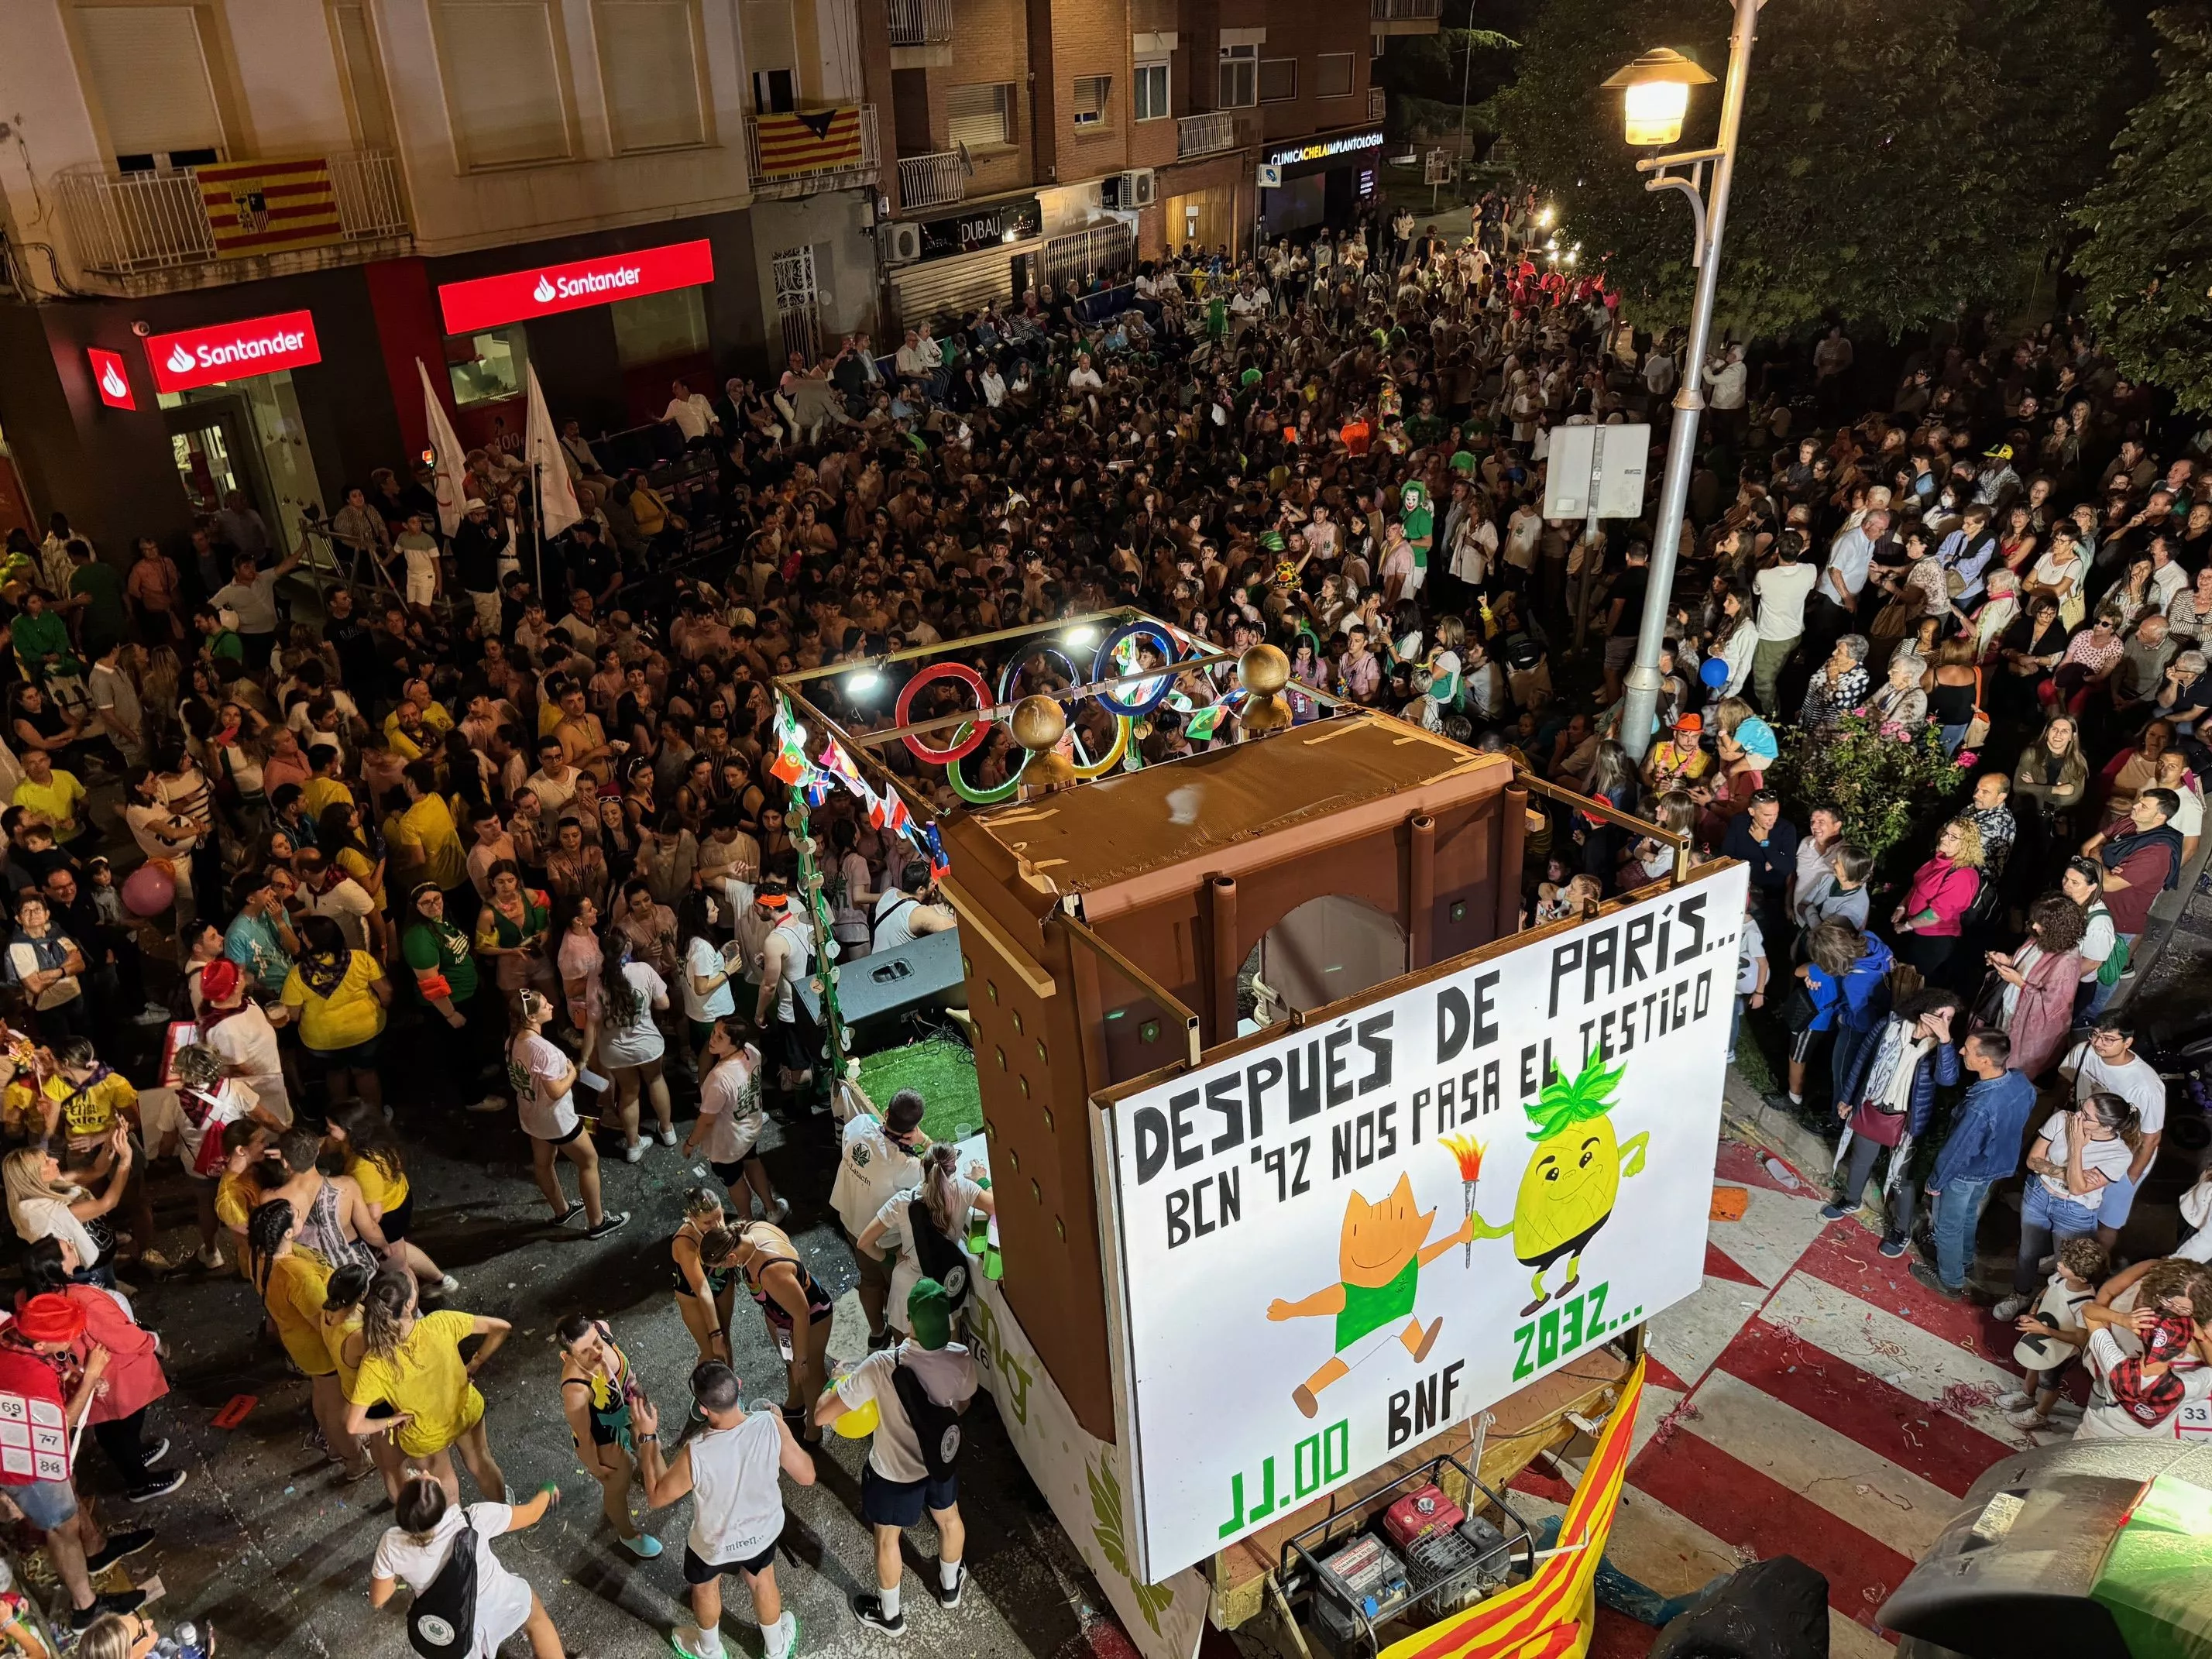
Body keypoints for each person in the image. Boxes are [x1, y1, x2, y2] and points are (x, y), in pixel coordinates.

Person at [816, 1279, 979, 1633]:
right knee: (949, 1519)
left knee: (888, 1539)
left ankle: (890, 1616)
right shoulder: (960, 1357)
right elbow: (962, 1405)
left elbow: (822, 1417)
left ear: (910, 1323)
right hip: (939, 1463)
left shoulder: (880, 1365)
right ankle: (950, 1588)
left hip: (893, 1473)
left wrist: (838, 1380)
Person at [634, 1361, 815, 1659]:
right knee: (762, 1581)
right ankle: (776, 1648)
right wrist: (781, 1427)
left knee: (704, 1589)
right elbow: (807, 1476)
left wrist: (648, 1438)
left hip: (713, 1544)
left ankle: (710, 1650)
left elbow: (656, 1496)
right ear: (739, 1385)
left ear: (703, 1409)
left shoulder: (697, 1452)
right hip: (762, 1533)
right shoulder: (769, 1424)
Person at [0, 1293, 152, 1630]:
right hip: (26, 1464)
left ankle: (95, 1551)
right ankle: (87, 1609)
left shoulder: (14, 1331)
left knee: (68, 1498)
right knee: (61, 1527)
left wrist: (74, 1376)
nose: (74, 1339)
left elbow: (52, 1369)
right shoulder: (28, 1375)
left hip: (24, 1444)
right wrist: (88, 1378)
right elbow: (58, 1425)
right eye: (68, 1335)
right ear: (40, 1346)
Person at [343, 1266, 511, 1507]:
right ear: (410, 1304)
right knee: (481, 1462)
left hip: (424, 1435)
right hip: (464, 1410)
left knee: (443, 1483)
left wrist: (393, 1421)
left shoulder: (375, 1363)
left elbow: (354, 1424)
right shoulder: (441, 1323)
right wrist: (474, 1364)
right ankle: (502, 1511)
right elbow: (501, 1327)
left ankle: (459, 1534)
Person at [1822, 991, 1960, 1258]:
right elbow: (1862, 1060)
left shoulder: (1938, 1049)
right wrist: (1847, 1097)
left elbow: (1948, 1079)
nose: (1945, 1022)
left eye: (1950, 1018)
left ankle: (1901, 1229)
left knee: (1901, 1178)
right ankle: (1851, 1200)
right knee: (1861, 1160)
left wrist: (1945, 1040)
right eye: (1941, 1015)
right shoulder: (1891, 1027)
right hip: (1873, 1106)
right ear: (1924, 1011)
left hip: (1905, 1120)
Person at [369, 1475, 568, 1659]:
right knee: (534, 1616)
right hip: (500, 1597)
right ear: (441, 1503)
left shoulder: (391, 1544)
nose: (425, 1471)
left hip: (454, 1623)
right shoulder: (474, 1518)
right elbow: (532, 1514)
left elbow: (379, 1599)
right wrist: (547, 1490)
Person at [246, 1199, 373, 1482]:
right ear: (288, 1233)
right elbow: (325, 1321)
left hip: (300, 1345)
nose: (301, 1215)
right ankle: (355, 1461)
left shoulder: (261, 1255)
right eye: (297, 1216)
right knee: (338, 1408)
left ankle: (337, 1450)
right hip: (320, 1348)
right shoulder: (298, 1277)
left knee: (324, 1397)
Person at [1994, 1092, 2142, 1322]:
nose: (2078, 1116)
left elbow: (2077, 1189)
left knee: (2068, 1265)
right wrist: (2068, 1174)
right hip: (2038, 1195)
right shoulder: (2062, 1118)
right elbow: (2033, 1160)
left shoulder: (2119, 1154)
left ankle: (2049, 1310)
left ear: (2106, 1126)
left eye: (2086, 1116)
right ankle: (2020, 1294)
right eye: (2082, 1108)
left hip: (2075, 1211)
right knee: (2027, 1251)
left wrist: (2077, 1147)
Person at [1915, 1029, 2036, 1300]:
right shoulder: (2019, 1082)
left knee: (1947, 1225)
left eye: (1967, 1050)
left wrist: (1936, 1182)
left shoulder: (1981, 1107)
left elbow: (1958, 1150)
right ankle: (1965, 1260)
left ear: (1985, 1061)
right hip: (1995, 1165)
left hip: (1966, 1172)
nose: (1961, 1052)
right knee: (1969, 1213)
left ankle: (1950, 1280)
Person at [507, 988, 628, 1238]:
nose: (551, 1006)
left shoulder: (512, 1041)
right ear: (531, 1018)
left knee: (543, 1164)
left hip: (531, 1117)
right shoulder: (545, 1051)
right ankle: (597, 1222)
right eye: (544, 1005)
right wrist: (572, 1071)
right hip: (557, 1121)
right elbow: (555, 1091)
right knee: (589, 1161)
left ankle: (562, 1211)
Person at [855, 1142, 994, 1332]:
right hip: (944, 1284)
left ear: (922, 1167)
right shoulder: (964, 1188)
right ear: (953, 1168)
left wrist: (891, 1259)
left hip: (909, 1289)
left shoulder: (902, 1202)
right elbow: (994, 1205)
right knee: (949, 1351)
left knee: (906, 1354)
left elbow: (864, 1243)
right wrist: (982, 1179)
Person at [555, 1314, 661, 1559]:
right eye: (584, 1351)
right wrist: (597, 1468)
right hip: (604, 1434)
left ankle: (663, 1488)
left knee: (653, 1450)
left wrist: (641, 1404)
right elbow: (583, 1436)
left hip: (631, 1413)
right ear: (569, 1355)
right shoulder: (575, 1389)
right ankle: (626, 1533)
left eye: (596, 1342)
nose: (596, 1353)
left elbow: (628, 1374)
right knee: (618, 1481)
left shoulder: (603, 1329)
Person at [2058, 1018, 2168, 1252]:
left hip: (2125, 1155)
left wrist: (2128, 1179)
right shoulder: (2083, 1051)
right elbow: (2065, 1082)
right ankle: (2069, 1256)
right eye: (2095, 1035)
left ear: (2127, 1042)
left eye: (2108, 1039)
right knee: (2077, 1201)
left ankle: (2095, 1267)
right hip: (2086, 1142)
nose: (2099, 1043)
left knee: (2107, 1220)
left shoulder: (2146, 1086)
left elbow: (2151, 1138)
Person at [832, 1087, 928, 1349]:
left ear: (886, 1112)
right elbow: (939, 1168)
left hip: (851, 1222)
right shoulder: (904, 1165)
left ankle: (877, 1334)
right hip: (884, 1239)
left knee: (870, 1280)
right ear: (913, 1128)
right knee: (899, 1296)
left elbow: (870, 1125)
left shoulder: (860, 1125)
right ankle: (900, 1351)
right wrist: (924, 1141)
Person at [730, 1218, 833, 1437]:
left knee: (809, 1373)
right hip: (782, 1321)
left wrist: (801, 1360)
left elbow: (802, 1314)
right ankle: (795, 1405)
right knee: (790, 1364)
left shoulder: (770, 1271)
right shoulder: (752, 1231)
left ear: (730, 1257)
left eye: (721, 1266)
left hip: (812, 1317)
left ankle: (814, 1430)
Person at [280, 913, 390, 1116]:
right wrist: (382, 1008)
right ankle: (376, 1119)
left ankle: (342, 1123)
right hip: (366, 1032)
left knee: (336, 1074)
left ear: (310, 941)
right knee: (365, 1072)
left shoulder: (298, 974)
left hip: (323, 1042)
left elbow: (293, 1015)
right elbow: (386, 992)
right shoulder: (360, 959)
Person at [1999, 1235, 2105, 1432]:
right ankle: (2027, 1394)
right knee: (2034, 1364)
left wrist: (2044, 1329)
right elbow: (2046, 1291)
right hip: (2043, 1333)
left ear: (2082, 1278)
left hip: (2062, 1349)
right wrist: (2033, 1311)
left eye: (2066, 1264)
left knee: (2048, 1381)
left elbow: (2080, 1338)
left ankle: (2040, 1413)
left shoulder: (2085, 1303)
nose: (2060, 1264)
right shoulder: (2060, 1277)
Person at [685, 1015, 781, 1222]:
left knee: (735, 1181)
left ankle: (745, 1223)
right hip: (748, 1130)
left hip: (726, 1143)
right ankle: (772, 1210)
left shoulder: (719, 1078)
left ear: (735, 1042)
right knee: (752, 1161)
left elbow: (706, 1120)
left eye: (720, 1037)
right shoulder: (753, 1053)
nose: (712, 1039)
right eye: (713, 1033)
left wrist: (690, 1143)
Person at [598, 927, 673, 1156]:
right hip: (646, 1044)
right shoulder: (643, 970)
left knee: (629, 1092)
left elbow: (593, 1014)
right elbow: (664, 1004)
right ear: (628, 944)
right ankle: (668, 1131)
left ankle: (633, 1146)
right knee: (655, 1080)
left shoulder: (597, 977)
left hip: (614, 1049)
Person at [1889, 817, 1983, 984]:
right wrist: (1902, 906)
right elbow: (1918, 885)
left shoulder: (1963, 875)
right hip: (1915, 931)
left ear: (1966, 844)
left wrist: (1906, 926)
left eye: (1953, 837)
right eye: (1946, 833)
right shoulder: (1940, 860)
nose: (1945, 838)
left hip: (1934, 941)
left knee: (1916, 985)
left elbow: (1936, 914)